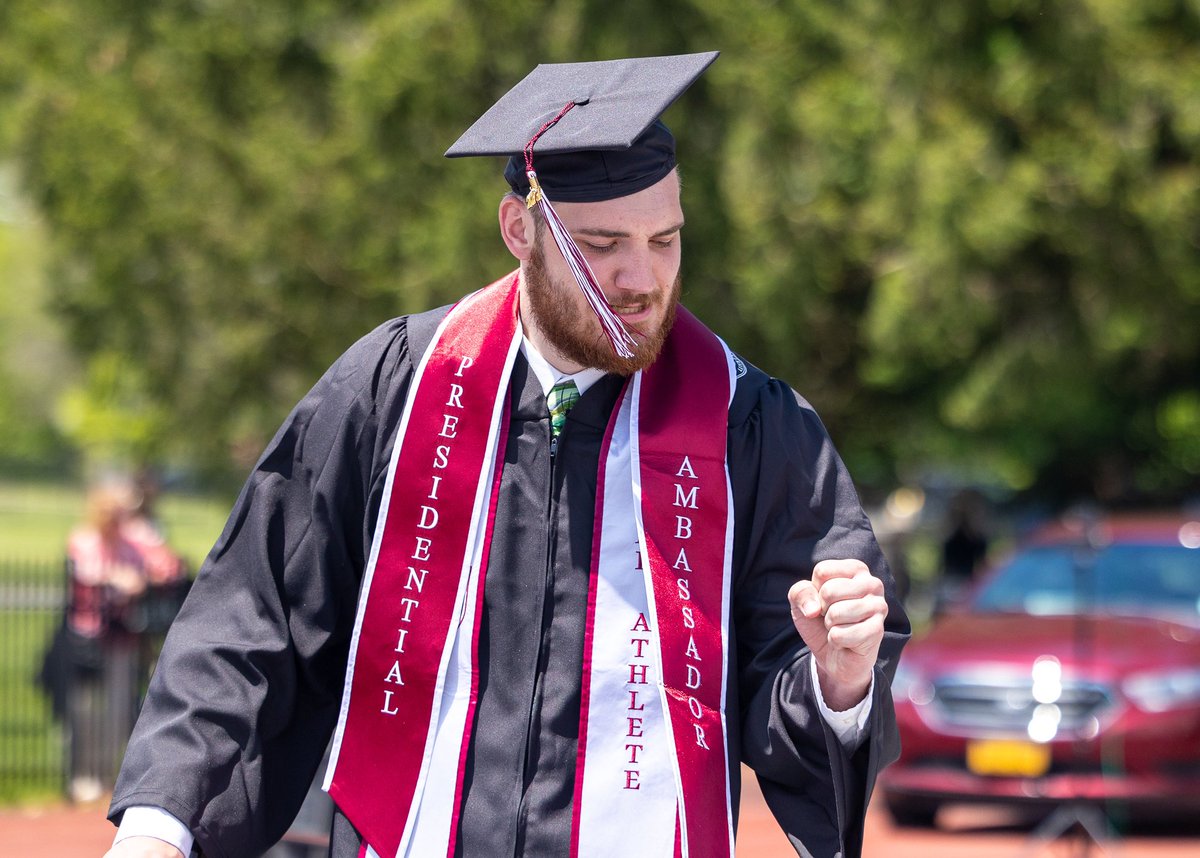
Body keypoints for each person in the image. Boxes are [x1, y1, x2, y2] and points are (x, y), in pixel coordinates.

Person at [105, 52, 909, 858]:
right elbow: (254, 621)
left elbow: (797, 684)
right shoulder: (396, 390)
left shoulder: (750, 427)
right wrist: (158, 830)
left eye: (665, 240)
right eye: (603, 244)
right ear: (520, 230)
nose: (641, 278)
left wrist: (840, 681)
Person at [62, 479, 184, 802]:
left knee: (117, 712)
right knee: (86, 712)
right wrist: (116, 578)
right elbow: (85, 573)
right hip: (88, 640)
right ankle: (84, 775)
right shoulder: (84, 540)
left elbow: (166, 567)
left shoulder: (132, 543)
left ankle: (106, 776)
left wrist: (145, 567)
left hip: (123, 639)